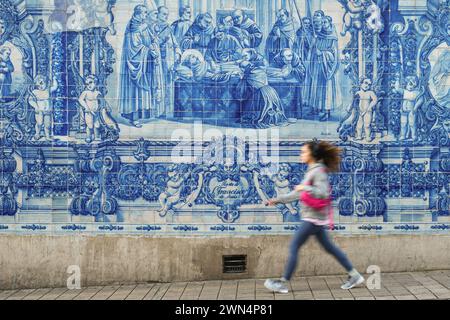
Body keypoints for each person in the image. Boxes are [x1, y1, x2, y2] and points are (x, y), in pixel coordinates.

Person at [264, 139, 365, 294]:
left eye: (304, 152)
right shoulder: (312, 170)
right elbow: (297, 194)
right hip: (315, 218)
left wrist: (306, 187)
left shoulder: (318, 172)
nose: (301, 154)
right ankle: (355, 275)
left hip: (312, 218)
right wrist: (276, 200)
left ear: (312, 154)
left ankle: (283, 283)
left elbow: (323, 193)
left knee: (294, 246)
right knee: (330, 248)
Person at [118, 5, 164, 128]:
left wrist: (154, 45)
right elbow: (134, 48)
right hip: (135, 65)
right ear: (138, 14)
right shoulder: (134, 26)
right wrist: (148, 51)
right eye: (144, 13)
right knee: (135, 93)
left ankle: (141, 115)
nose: (145, 15)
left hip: (144, 65)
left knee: (142, 92)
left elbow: (151, 39)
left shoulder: (142, 25)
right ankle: (134, 118)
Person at [237, 48, 288, 128]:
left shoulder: (259, 64)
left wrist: (243, 75)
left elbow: (250, 80)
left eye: (245, 55)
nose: (243, 57)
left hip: (262, 92)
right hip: (266, 90)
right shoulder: (252, 65)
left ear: (251, 54)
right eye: (242, 56)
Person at [28, 75, 58, 141]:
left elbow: (55, 87)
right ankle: (37, 134)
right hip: (39, 111)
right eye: (38, 85)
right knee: (39, 123)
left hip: (47, 111)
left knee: (47, 124)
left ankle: (47, 136)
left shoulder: (48, 90)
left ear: (46, 83)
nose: (40, 87)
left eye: (42, 84)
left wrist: (54, 79)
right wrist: (36, 106)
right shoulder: (35, 92)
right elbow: (30, 100)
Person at [78, 75, 102, 143]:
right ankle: (88, 136)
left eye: (90, 82)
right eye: (87, 84)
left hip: (96, 112)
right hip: (88, 112)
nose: (89, 85)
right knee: (90, 125)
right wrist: (86, 107)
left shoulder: (97, 93)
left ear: (95, 82)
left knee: (97, 125)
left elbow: (101, 101)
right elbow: (80, 100)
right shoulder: (85, 92)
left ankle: (96, 136)